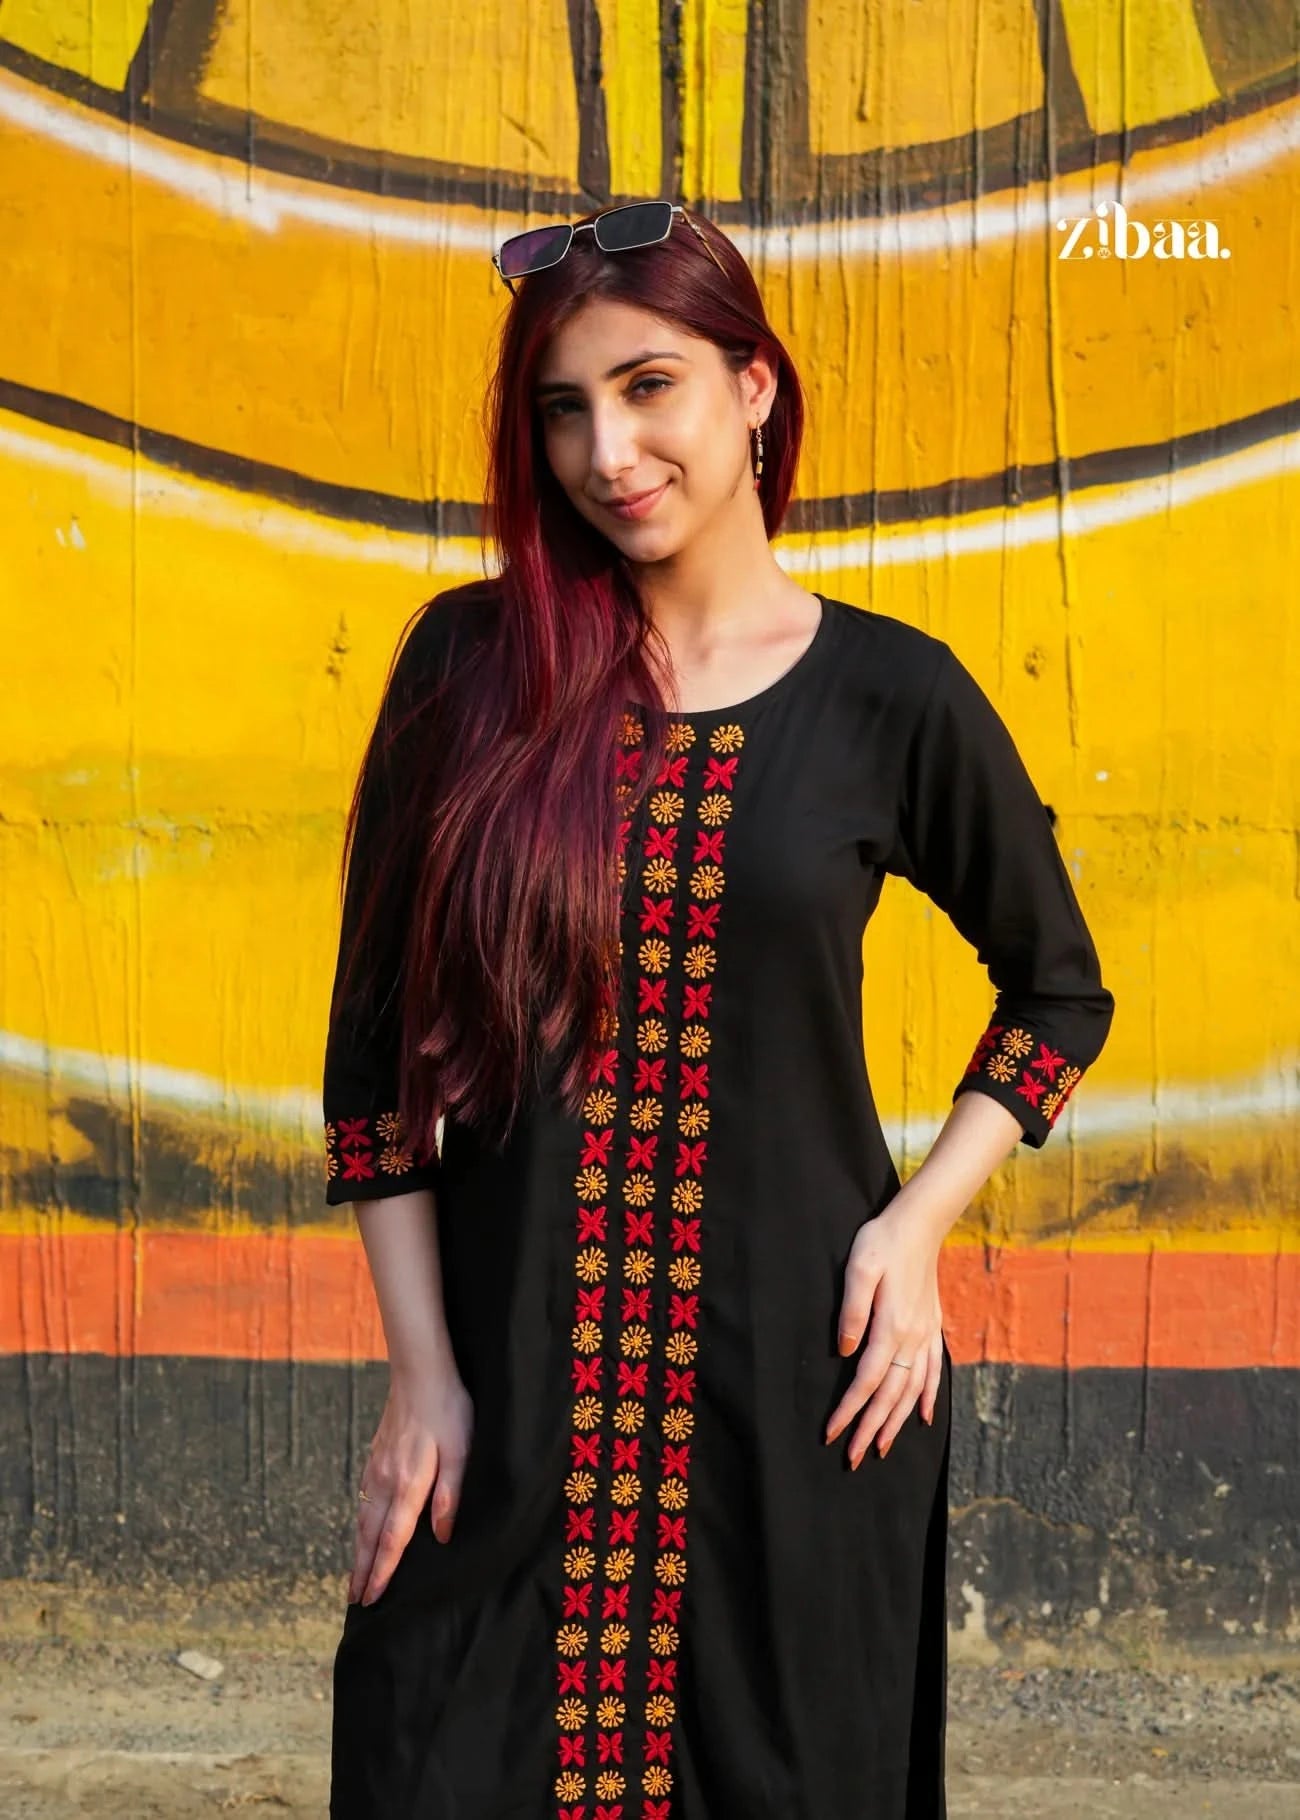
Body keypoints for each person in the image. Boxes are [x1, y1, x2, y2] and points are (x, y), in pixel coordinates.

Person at [321, 201, 1115, 1820]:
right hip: (512, 1404)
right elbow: (369, 1069)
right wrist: (424, 1378)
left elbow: (1057, 994)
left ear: (754, 388)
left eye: (649, 386)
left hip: (793, 1420)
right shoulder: (467, 674)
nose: (606, 449)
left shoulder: (896, 697)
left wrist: (912, 1233)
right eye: (562, 407)